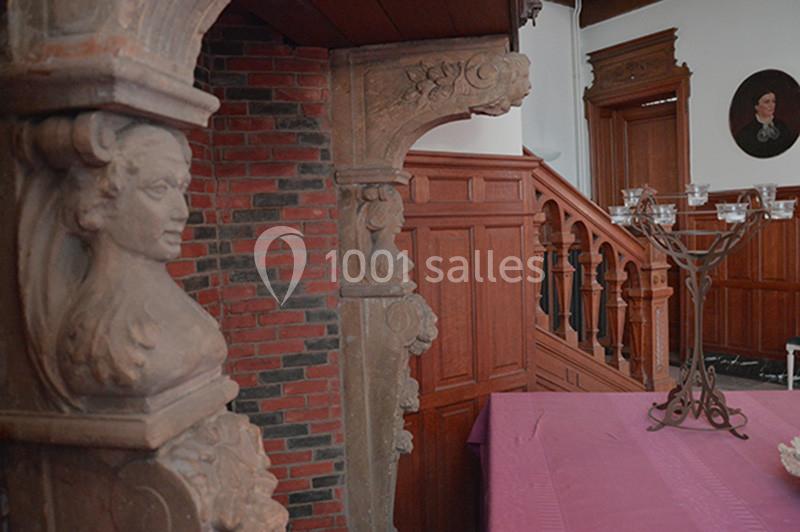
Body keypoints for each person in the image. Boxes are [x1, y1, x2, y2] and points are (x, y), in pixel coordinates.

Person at [735, 88, 797, 158]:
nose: (772, 105)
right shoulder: (746, 132)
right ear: (756, 106)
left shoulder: (782, 127)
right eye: (767, 102)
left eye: (773, 101)